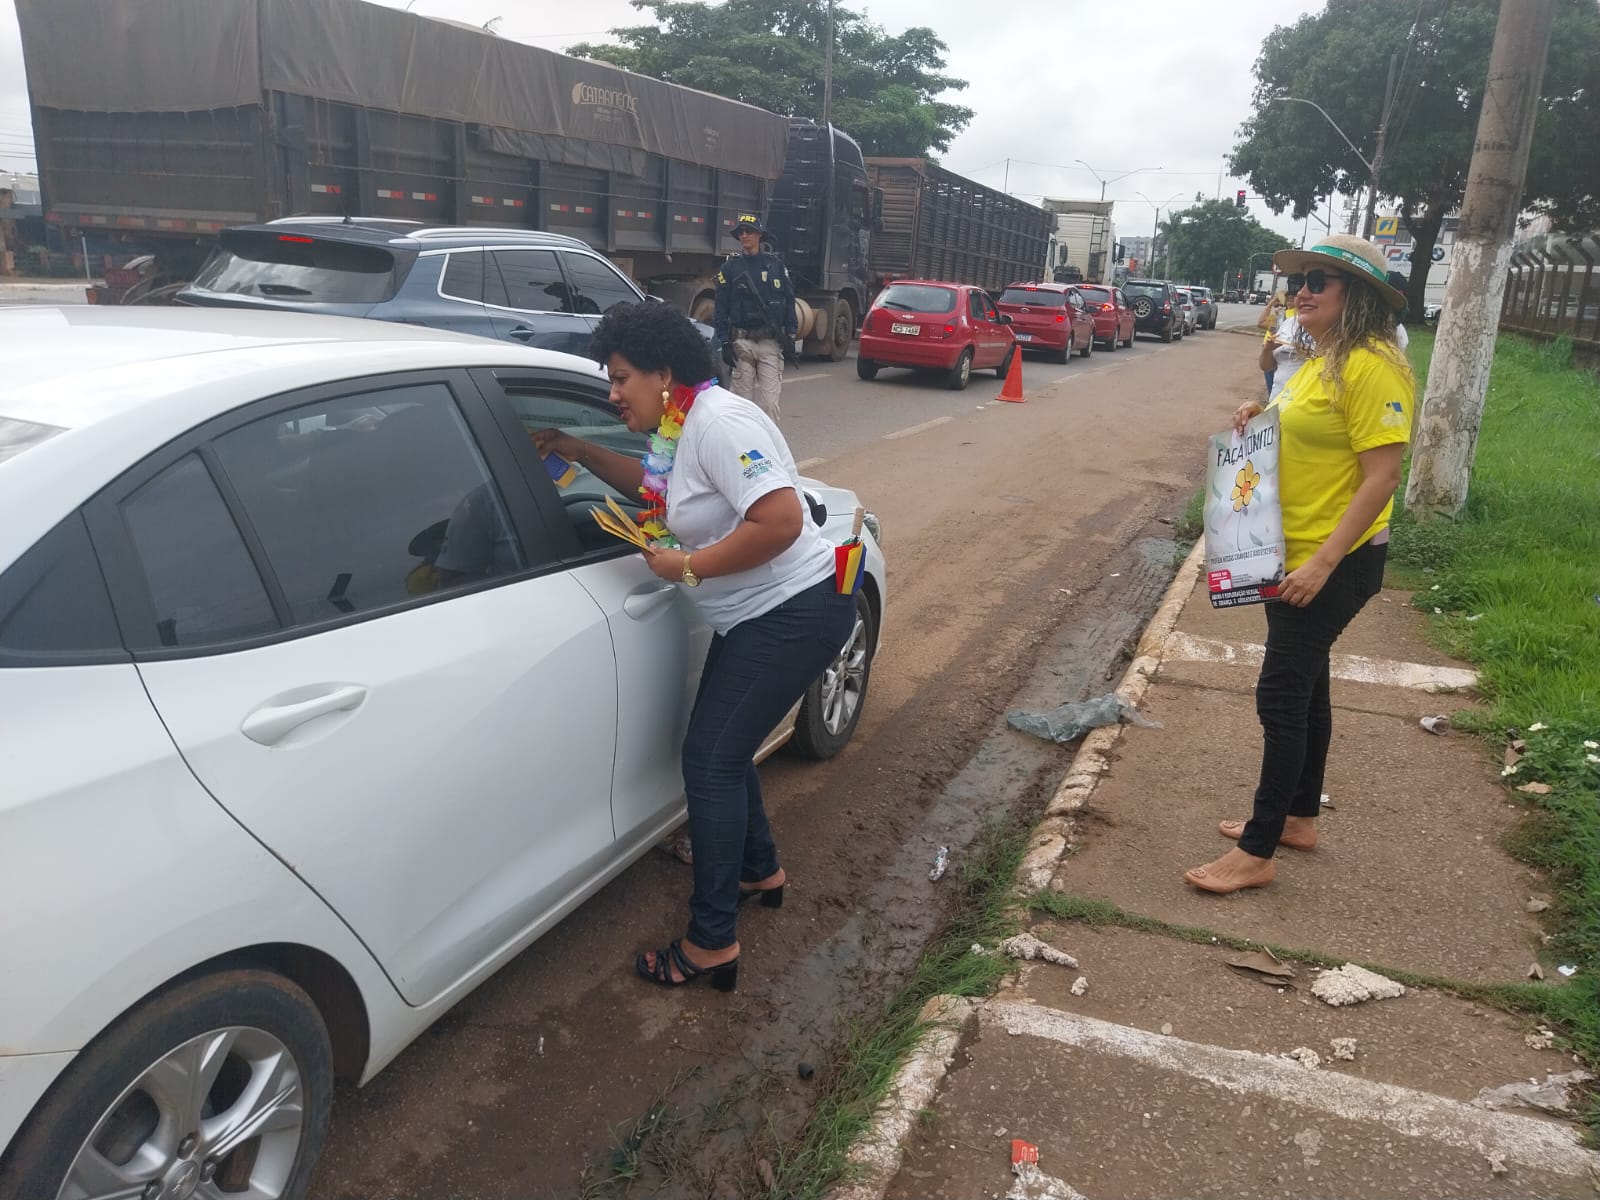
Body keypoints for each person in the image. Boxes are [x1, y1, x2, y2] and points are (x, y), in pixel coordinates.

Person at [532, 302, 853, 989]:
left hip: (793, 611)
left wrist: (687, 567)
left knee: (709, 762)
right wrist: (580, 451)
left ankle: (712, 942)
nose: (612, 394)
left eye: (620, 378)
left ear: (664, 373)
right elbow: (660, 493)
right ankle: (758, 870)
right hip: (758, 618)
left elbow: (780, 521)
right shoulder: (678, 427)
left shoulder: (718, 423)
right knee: (721, 753)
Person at [1185, 234, 1413, 894]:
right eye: (1298, 280)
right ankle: (1298, 818)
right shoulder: (1323, 358)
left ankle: (1257, 851)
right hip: (1290, 550)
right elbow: (1310, 423)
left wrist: (1321, 564)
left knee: (1281, 696)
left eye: (1318, 280)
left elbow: (1382, 476)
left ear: (1357, 295)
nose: (1300, 291)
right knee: (1309, 689)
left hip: (1329, 561)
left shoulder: (1373, 366)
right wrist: (1260, 413)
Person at [713, 213, 798, 423]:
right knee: (743, 407)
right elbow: (720, 308)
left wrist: (791, 333)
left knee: (769, 404)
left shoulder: (775, 265)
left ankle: (768, 441)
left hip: (770, 343)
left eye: (749, 231)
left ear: (759, 235)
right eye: (741, 232)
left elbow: (789, 300)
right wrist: (724, 342)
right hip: (742, 344)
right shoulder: (730, 268)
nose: (744, 235)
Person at [1259, 276, 1313, 401]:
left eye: (1293, 297)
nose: (1291, 299)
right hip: (1278, 397)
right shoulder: (1282, 318)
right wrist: (1267, 349)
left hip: (1301, 399)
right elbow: (1261, 323)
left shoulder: (1322, 327)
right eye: (1288, 297)